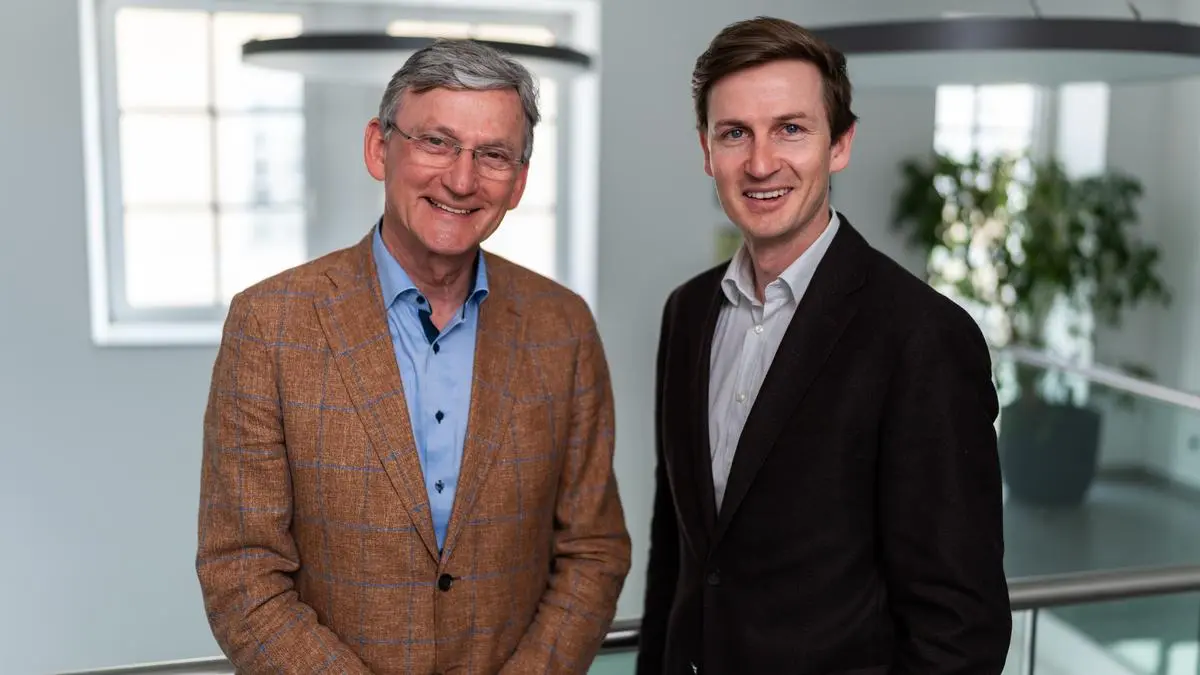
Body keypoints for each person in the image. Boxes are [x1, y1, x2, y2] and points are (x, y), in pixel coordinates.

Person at [197, 39, 631, 674]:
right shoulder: (270, 325)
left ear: (518, 182)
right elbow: (240, 571)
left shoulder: (562, 327)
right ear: (379, 148)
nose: (461, 179)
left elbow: (593, 550)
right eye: (436, 142)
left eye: (493, 155)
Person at [637, 16, 1012, 675]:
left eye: (791, 128)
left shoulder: (924, 337)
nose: (760, 163)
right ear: (706, 150)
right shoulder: (688, 312)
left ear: (839, 144)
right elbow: (677, 551)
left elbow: (961, 628)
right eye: (735, 133)